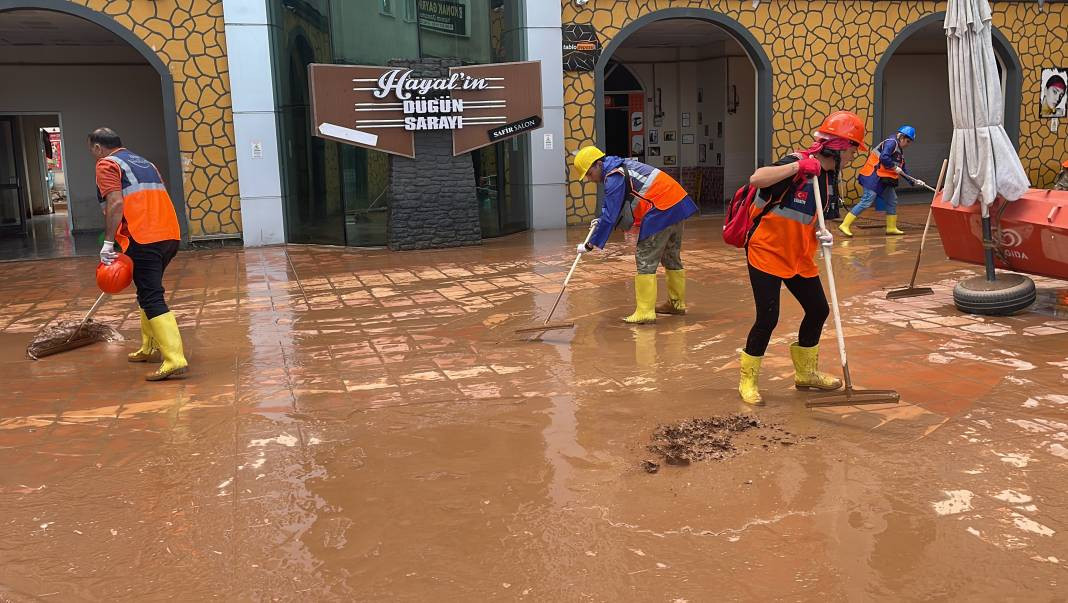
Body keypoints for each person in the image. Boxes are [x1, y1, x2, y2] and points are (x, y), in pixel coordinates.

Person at [738, 111, 866, 405]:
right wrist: (798, 166)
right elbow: (758, 178)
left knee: (818, 309)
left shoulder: (832, 177)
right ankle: (748, 380)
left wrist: (826, 235)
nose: (853, 155)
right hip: (766, 251)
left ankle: (806, 373)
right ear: (840, 146)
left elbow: (822, 217)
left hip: (799, 256)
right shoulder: (796, 162)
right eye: (852, 149)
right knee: (768, 317)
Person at [91, 127, 188, 381]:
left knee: (151, 294)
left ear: (98, 147)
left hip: (143, 238)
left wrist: (108, 243)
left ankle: (175, 358)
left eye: (92, 150)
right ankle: (150, 347)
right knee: (147, 289)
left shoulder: (107, 165)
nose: (93, 155)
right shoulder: (145, 163)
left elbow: (116, 203)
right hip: (168, 235)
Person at [572, 146, 698, 324]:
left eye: (589, 174)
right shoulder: (623, 166)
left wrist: (590, 244)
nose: (589, 179)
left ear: (598, 164)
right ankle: (676, 304)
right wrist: (600, 222)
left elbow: (611, 215)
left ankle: (645, 312)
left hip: (661, 209)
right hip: (676, 204)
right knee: (671, 257)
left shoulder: (614, 175)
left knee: (645, 256)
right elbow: (614, 210)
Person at [840, 125, 926, 237]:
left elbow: (902, 169)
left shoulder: (899, 150)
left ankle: (891, 227)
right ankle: (845, 225)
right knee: (867, 200)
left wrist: (913, 181)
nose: (908, 145)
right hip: (873, 176)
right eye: (908, 141)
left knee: (892, 200)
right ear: (902, 137)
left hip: (884, 179)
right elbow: (884, 157)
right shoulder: (891, 143)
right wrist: (894, 167)